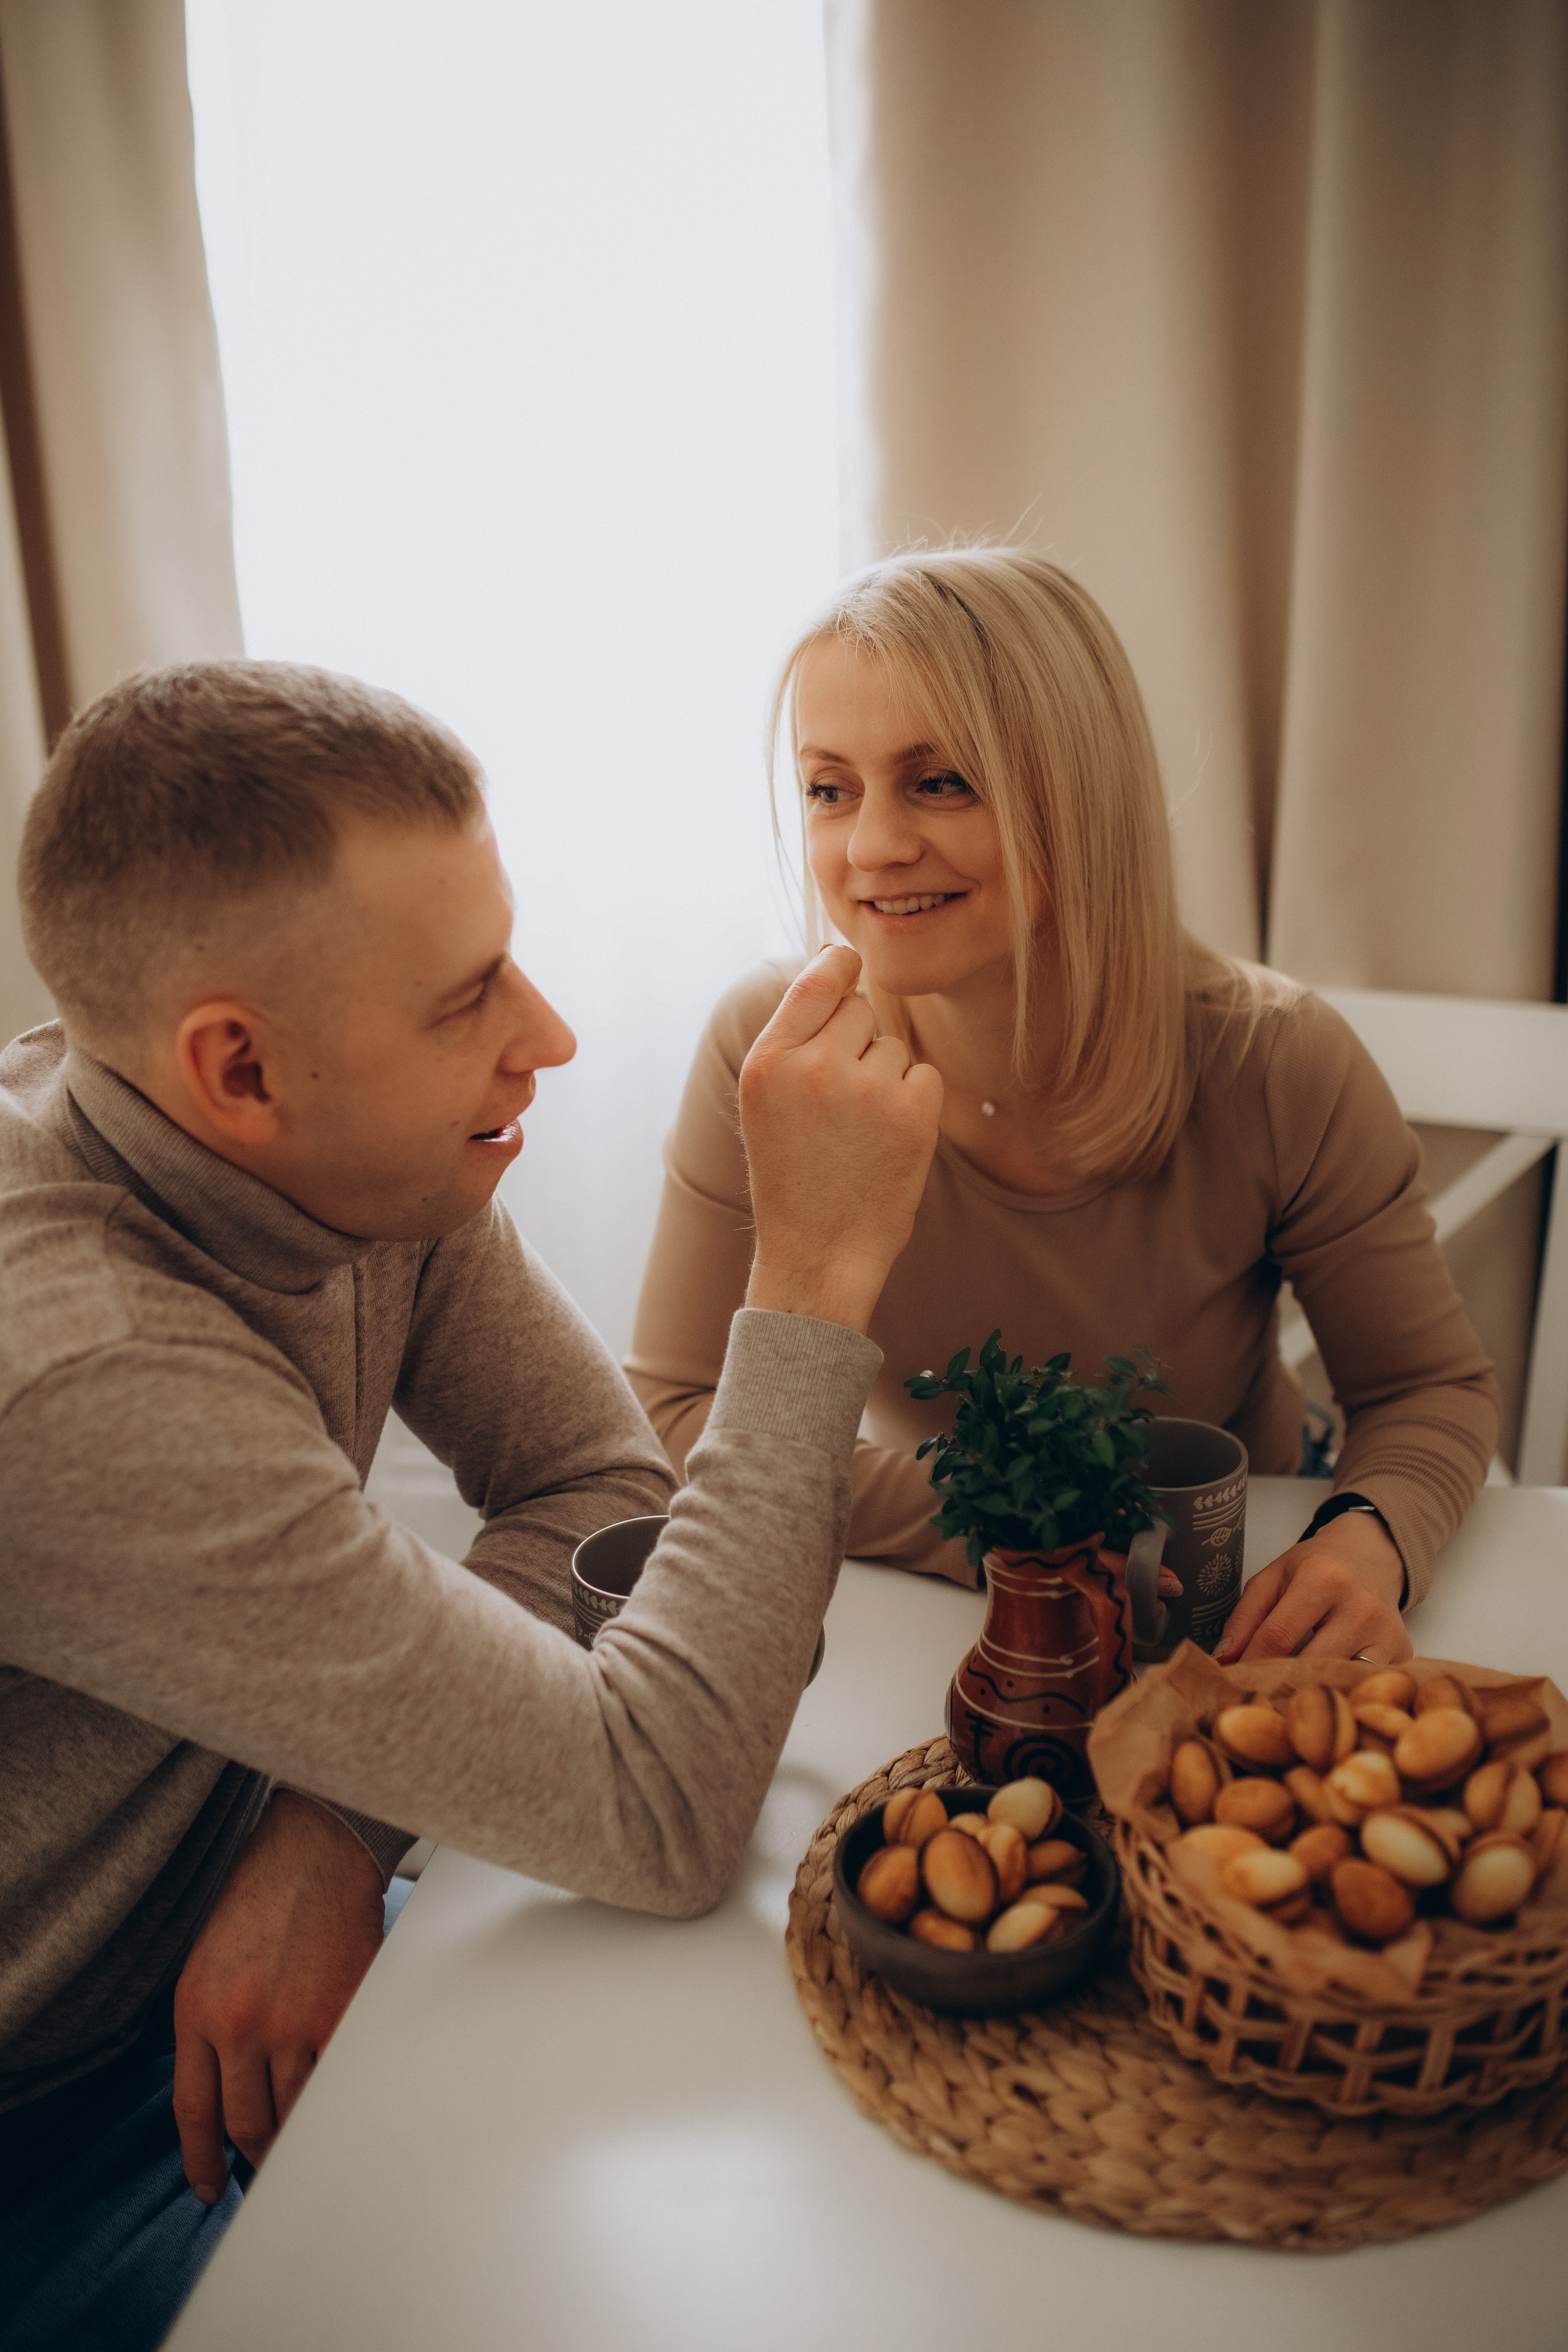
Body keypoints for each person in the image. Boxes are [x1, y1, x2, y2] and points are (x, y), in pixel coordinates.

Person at [0, 661, 941, 2352]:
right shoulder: (77, 1372)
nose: (551, 1038)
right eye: (468, 999)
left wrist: (331, 1821)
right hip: (52, 2136)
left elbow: (598, 1486)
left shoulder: (345, 1160)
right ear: (239, 1069)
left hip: (229, 1990)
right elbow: (660, 1809)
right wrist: (810, 1274)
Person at [626, 548, 1501, 1670]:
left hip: (1228, 1591)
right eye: (829, 788)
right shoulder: (769, 1053)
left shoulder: (1280, 1064)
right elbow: (680, 1401)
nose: (871, 847)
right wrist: (999, 1539)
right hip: (947, 1603)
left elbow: (1425, 1388)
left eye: (938, 780)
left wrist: (1367, 1542)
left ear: (1079, 796)